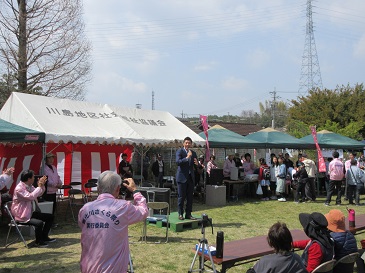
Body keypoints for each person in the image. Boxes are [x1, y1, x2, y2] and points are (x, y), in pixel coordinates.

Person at [78, 172, 148, 273]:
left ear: (98, 188)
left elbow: (82, 226)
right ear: (117, 189)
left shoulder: (85, 209)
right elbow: (143, 211)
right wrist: (135, 191)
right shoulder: (123, 207)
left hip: (88, 268)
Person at [11, 170, 55, 247]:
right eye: (33, 177)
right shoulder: (19, 188)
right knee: (39, 223)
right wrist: (39, 187)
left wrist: (41, 185)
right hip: (22, 215)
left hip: (30, 212)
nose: (34, 178)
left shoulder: (29, 186)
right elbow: (30, 197)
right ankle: (38, 242)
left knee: (50, 217)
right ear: (29, 179)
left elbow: (39, 193)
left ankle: (44, 237)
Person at [175, 136, 198, 221]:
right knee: (181, 196)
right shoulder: (180, 151)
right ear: (183, 143)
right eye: (186, 142)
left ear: (191, 144)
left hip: (190, 178)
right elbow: (178, 162)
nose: (188, 144)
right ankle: (180, 213)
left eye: (189, 143)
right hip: (181, 177)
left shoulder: (193, 153)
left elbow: (196, 165)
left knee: (190, 197)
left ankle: (188, 214)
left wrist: (198, 164)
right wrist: (187, 158)